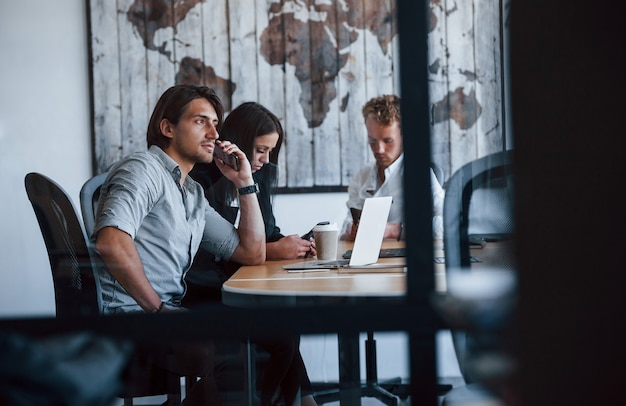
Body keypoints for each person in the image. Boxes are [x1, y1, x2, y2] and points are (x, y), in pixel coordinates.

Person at [92, 85, 266, 406]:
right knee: (240, 354)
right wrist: (159, 311)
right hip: (130, 324)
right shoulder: (143, 169)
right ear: (168, 128)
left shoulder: (192, 193)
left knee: (271, 336)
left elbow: (251, 253)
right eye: (201, 121)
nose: (214, 133)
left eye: (216, 123)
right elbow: (112, 242)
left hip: (159, 316)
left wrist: (244, 183)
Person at [187, 102, 318, 406]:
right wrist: (272, 250)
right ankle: (281, 401)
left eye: (270, 151)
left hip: (236, 284)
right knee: (283, 333)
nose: (265, 160)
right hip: (205, 290)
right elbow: (206, 256)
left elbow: (266, 232)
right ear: (239, 144)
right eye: (260, 150)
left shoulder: (254, 177)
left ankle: (300, 399)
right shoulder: (202, 182)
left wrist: (290, 243)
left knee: (287, 322)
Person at [340, 94, 445, 241]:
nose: (379, 150)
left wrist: (395, 230)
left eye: (388, 141)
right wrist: (350, 232)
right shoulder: (362, 175)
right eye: (372, 141)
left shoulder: (418, 174)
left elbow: (449, 221)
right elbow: (345, 230)